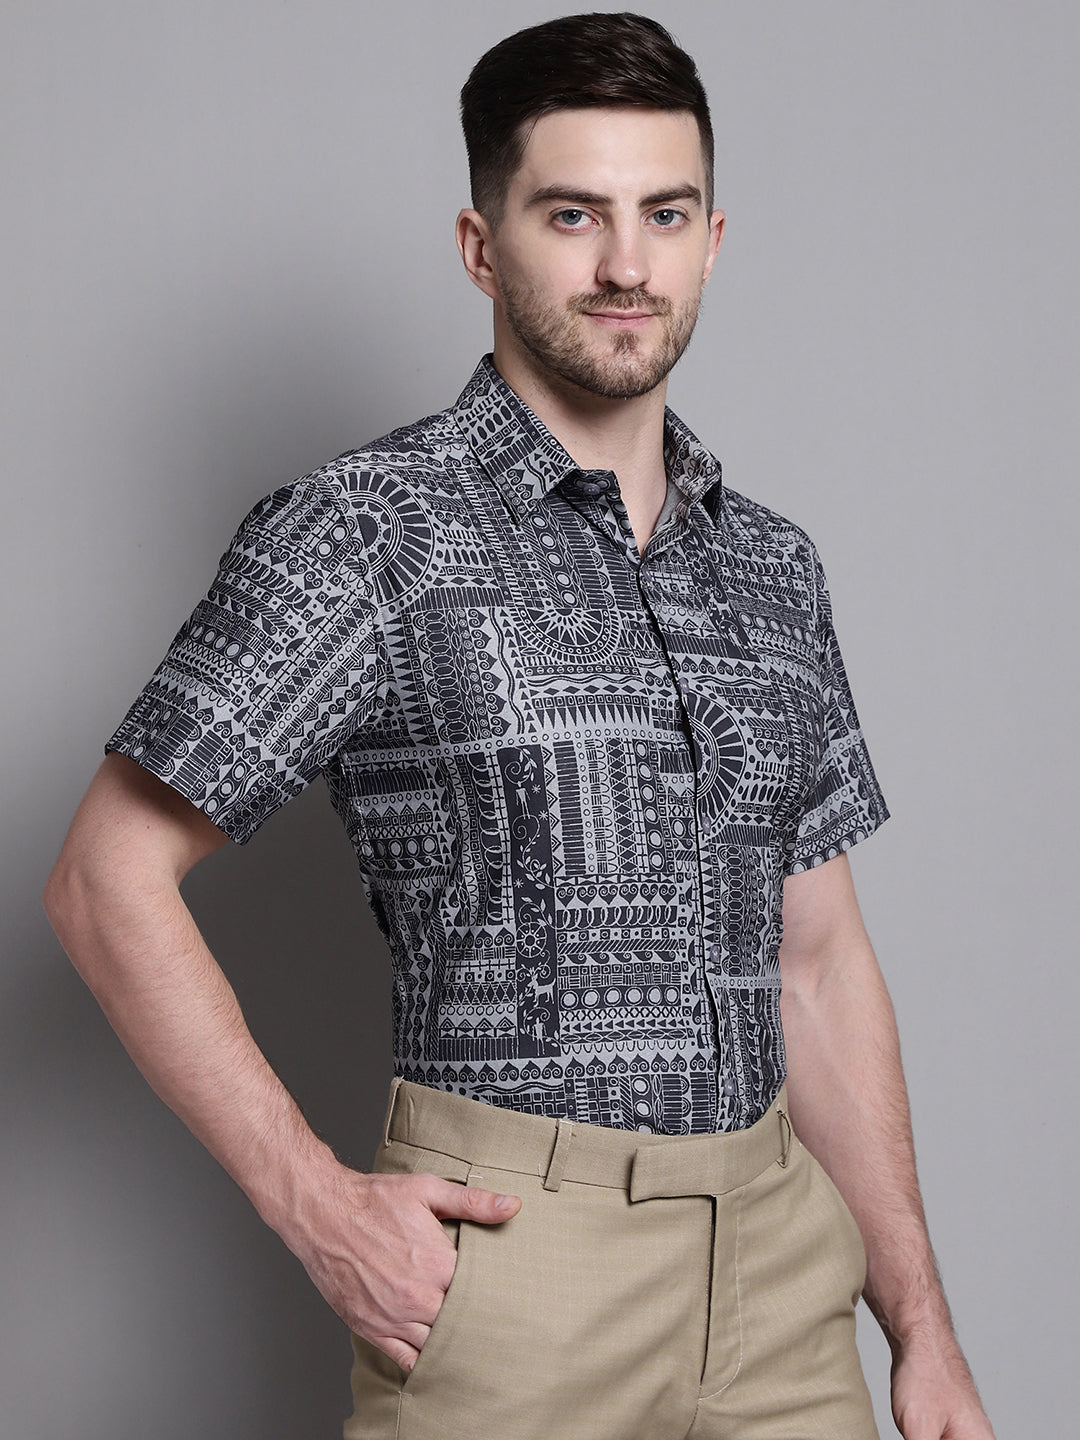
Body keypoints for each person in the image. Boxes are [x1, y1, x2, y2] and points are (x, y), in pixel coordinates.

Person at [44, 12, 995, 1440]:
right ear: (481, 246)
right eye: (573, 214)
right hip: (516, 1277)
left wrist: (923, 1329)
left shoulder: (772, 568)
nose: (626, 265)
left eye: (663, 214)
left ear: (712, 241)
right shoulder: (370, 532)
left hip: (785, 1280)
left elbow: (819, 962)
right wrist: (316, 1206)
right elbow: (101, 880)